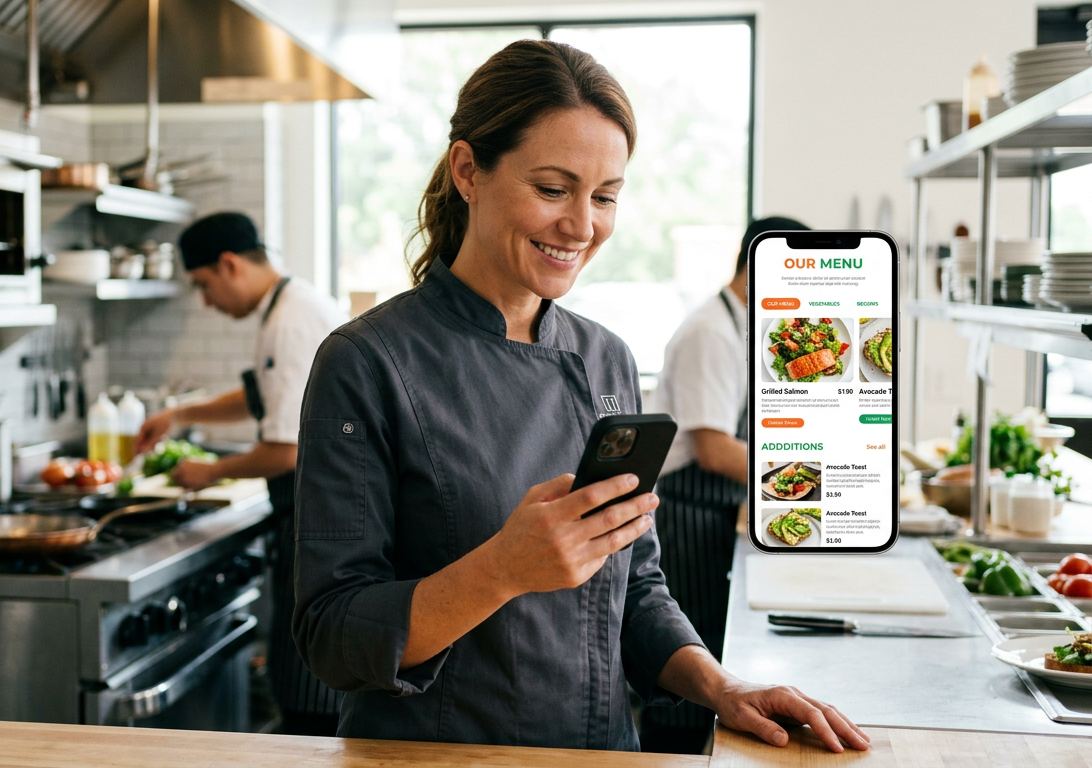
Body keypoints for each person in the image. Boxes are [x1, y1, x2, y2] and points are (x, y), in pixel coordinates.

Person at [291, 40, 870, 753]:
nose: (583, 226)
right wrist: (500, 570)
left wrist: (723, 687)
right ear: (468, 171)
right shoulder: (366, 361)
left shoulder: (606, 359)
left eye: (604, 197)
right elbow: (332, 637)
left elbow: (636, 589)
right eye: (552, 189)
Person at [135, 211, 347, 736]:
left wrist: (209, 472)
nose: (207, 302)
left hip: (320, 523)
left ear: (229, 264)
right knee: (306, 681)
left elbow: (286, 451)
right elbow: (264, 399)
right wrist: (180, 414)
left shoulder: (289, 321)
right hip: (318, 519)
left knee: (307, 692)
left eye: (203, 285)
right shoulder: (291, 305)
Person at [639, 216, 810, 754]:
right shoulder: (711, 333)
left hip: (711, 513)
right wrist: (815, 481)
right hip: (685, 514)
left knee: (707, 658)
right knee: (686, 670)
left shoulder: (741, 326)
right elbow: (713, 449)